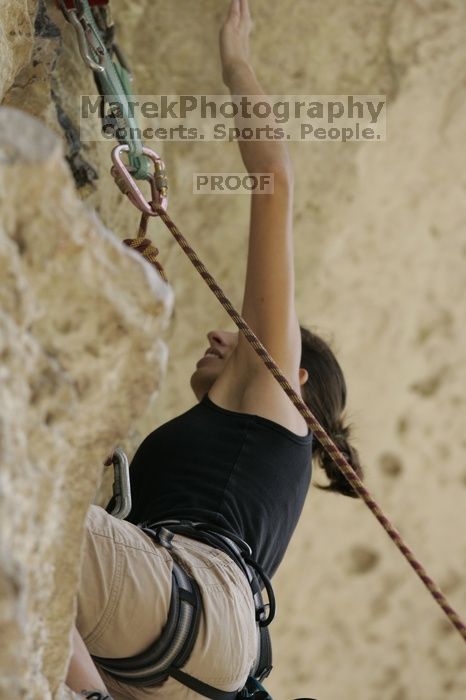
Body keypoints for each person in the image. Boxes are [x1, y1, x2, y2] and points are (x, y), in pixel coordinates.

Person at [65, 0, 363, 698]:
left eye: (244, 340)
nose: (219, 334)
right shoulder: (265, 468)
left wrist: (237, 63)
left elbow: (274, 183)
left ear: (293, 372)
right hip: (190, 653)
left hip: (191, 605)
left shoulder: (273, 396)